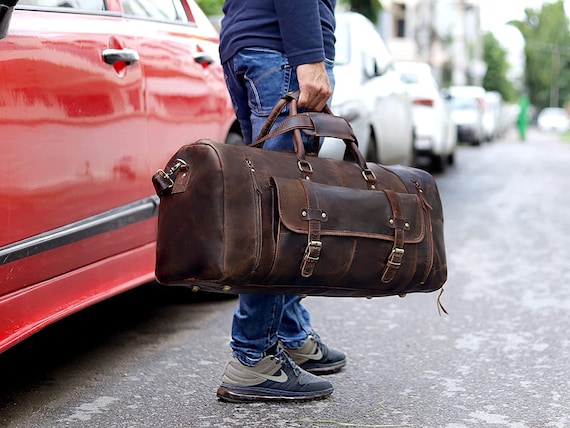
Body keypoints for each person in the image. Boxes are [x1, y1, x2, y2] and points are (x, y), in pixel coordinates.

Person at [216, 0, 346, 403]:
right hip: (282, 51)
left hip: (249, 41)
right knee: (282, 210)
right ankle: (254, 357)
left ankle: (288, 333)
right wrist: (309, 58)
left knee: (269, 199)